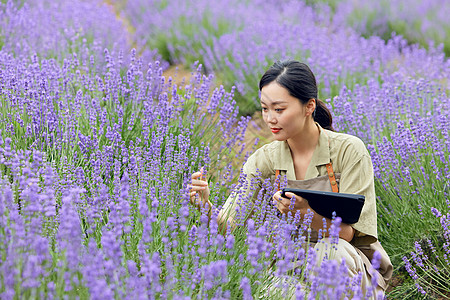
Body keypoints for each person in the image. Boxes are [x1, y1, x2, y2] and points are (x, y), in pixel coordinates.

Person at [189, 60, 393, 298]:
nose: (270, 119)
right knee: (275, 288)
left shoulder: (349, 151)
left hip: (352, 267)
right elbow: (233, 227)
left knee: (329, 253)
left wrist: (306, 213)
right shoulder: (264, 159)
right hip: (293, 265)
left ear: (309, 107)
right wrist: (206, 207)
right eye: (265, 108)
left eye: (279, 109)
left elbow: (348, 235)